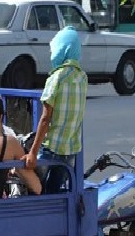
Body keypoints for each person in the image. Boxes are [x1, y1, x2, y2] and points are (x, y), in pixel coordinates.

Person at [23, 26, 87, 194]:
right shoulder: (82, 77)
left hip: (51, 148)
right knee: (55, 192)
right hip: (71, 149)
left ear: (61, 49)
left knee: (32, 187)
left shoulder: (56, 77)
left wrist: (32, 153)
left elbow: (45, 118)